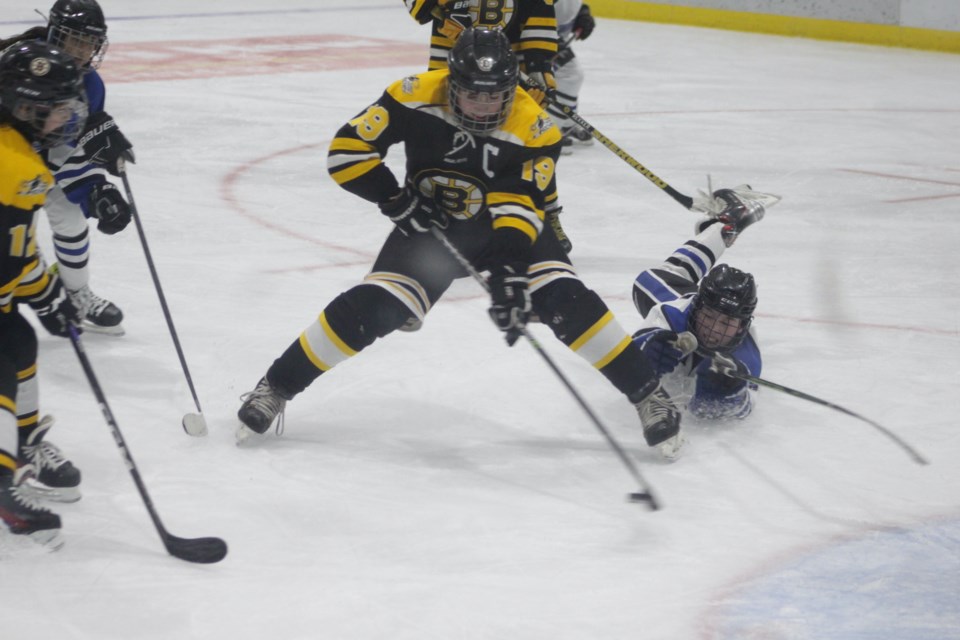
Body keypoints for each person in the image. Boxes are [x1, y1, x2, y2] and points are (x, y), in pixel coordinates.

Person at [238, 27, 684, 461]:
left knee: (564, 300)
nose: (485, 106)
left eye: (495, 95)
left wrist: (510, 275)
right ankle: (275, 387)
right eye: (474, 93)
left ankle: (650, 396)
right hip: (434, 230)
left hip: (511, 230)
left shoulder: (536, 126)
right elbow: (347, 151)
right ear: (452, 83)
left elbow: (521, 205)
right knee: (375, 308)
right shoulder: (413, 94)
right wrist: (393, 199)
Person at [0, 0, 135, 336]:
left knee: (72, 223)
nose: (83, 49)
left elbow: (62, 147)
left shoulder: (90, 85)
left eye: (89, 42)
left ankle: (75, 293)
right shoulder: (17, 64)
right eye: (75, 39)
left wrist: (95, 189)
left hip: (34, 166)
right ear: (55, 33)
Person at [0, 40, 88, 548]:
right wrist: (48, 295)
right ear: (26, 108)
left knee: (17, 341)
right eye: (56, 110)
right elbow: (10, 263)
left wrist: (43, 292)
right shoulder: (19, 171)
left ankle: (23, 442)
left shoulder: (13, 150)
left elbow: (17, 251)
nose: (65, 119)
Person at [405, 1, 574, 252]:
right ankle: (445, 214)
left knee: (532, 148)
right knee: (450, 144)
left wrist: (539, 68)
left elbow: (538, 19)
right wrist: (439, 7)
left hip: (508, 74)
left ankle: (546, 214)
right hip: (451, 67)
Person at [631, 187, 776, 451]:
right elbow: (627, 361)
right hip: (676, 300)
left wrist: (727, 392)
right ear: (696, 305)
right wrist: (646, 350)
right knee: (649, 281)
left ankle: (725, 225)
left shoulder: (746, 356)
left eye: (726, 323)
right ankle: (727, 223)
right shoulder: (673, 315)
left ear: (743, 325)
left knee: (669, 273)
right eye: (709, 316)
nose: (713, 331)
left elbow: (743, 408)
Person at [548, 0, 596, 155]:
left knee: (569, 75)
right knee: (569, 74)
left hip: (550, 33)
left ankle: (566, 122)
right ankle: (550, 130)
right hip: (531, 34)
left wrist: (582, 13)